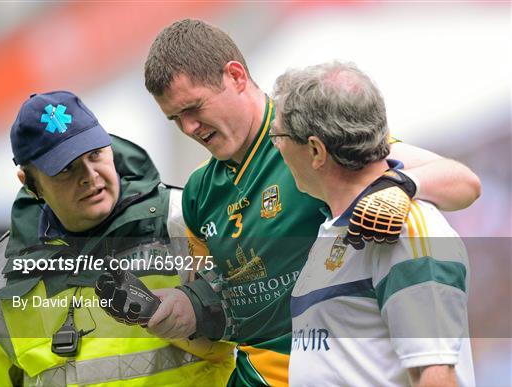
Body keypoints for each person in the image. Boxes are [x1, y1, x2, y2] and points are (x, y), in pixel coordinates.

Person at [99, 19, 480, 386]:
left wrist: (399, 185)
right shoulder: (199, 191)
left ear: (235, 76)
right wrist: (176, 309)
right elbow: (216, 306)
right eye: (174, 119)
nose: (189, 129)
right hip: (251, 376)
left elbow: (462, 183)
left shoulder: (307, 138)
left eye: (194, 108)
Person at [0, 91, 234, 386]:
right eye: (65, 168)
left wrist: (199, 311)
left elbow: (264, 326)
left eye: (94, 154)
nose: (89, 176)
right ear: (30, 183)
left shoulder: (186, 219)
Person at [272, 61, 475, 386]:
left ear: (315, 150)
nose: (277, 148)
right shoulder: (335, 226)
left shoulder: (402, 228)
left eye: (277, 137)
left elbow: (436, 375)